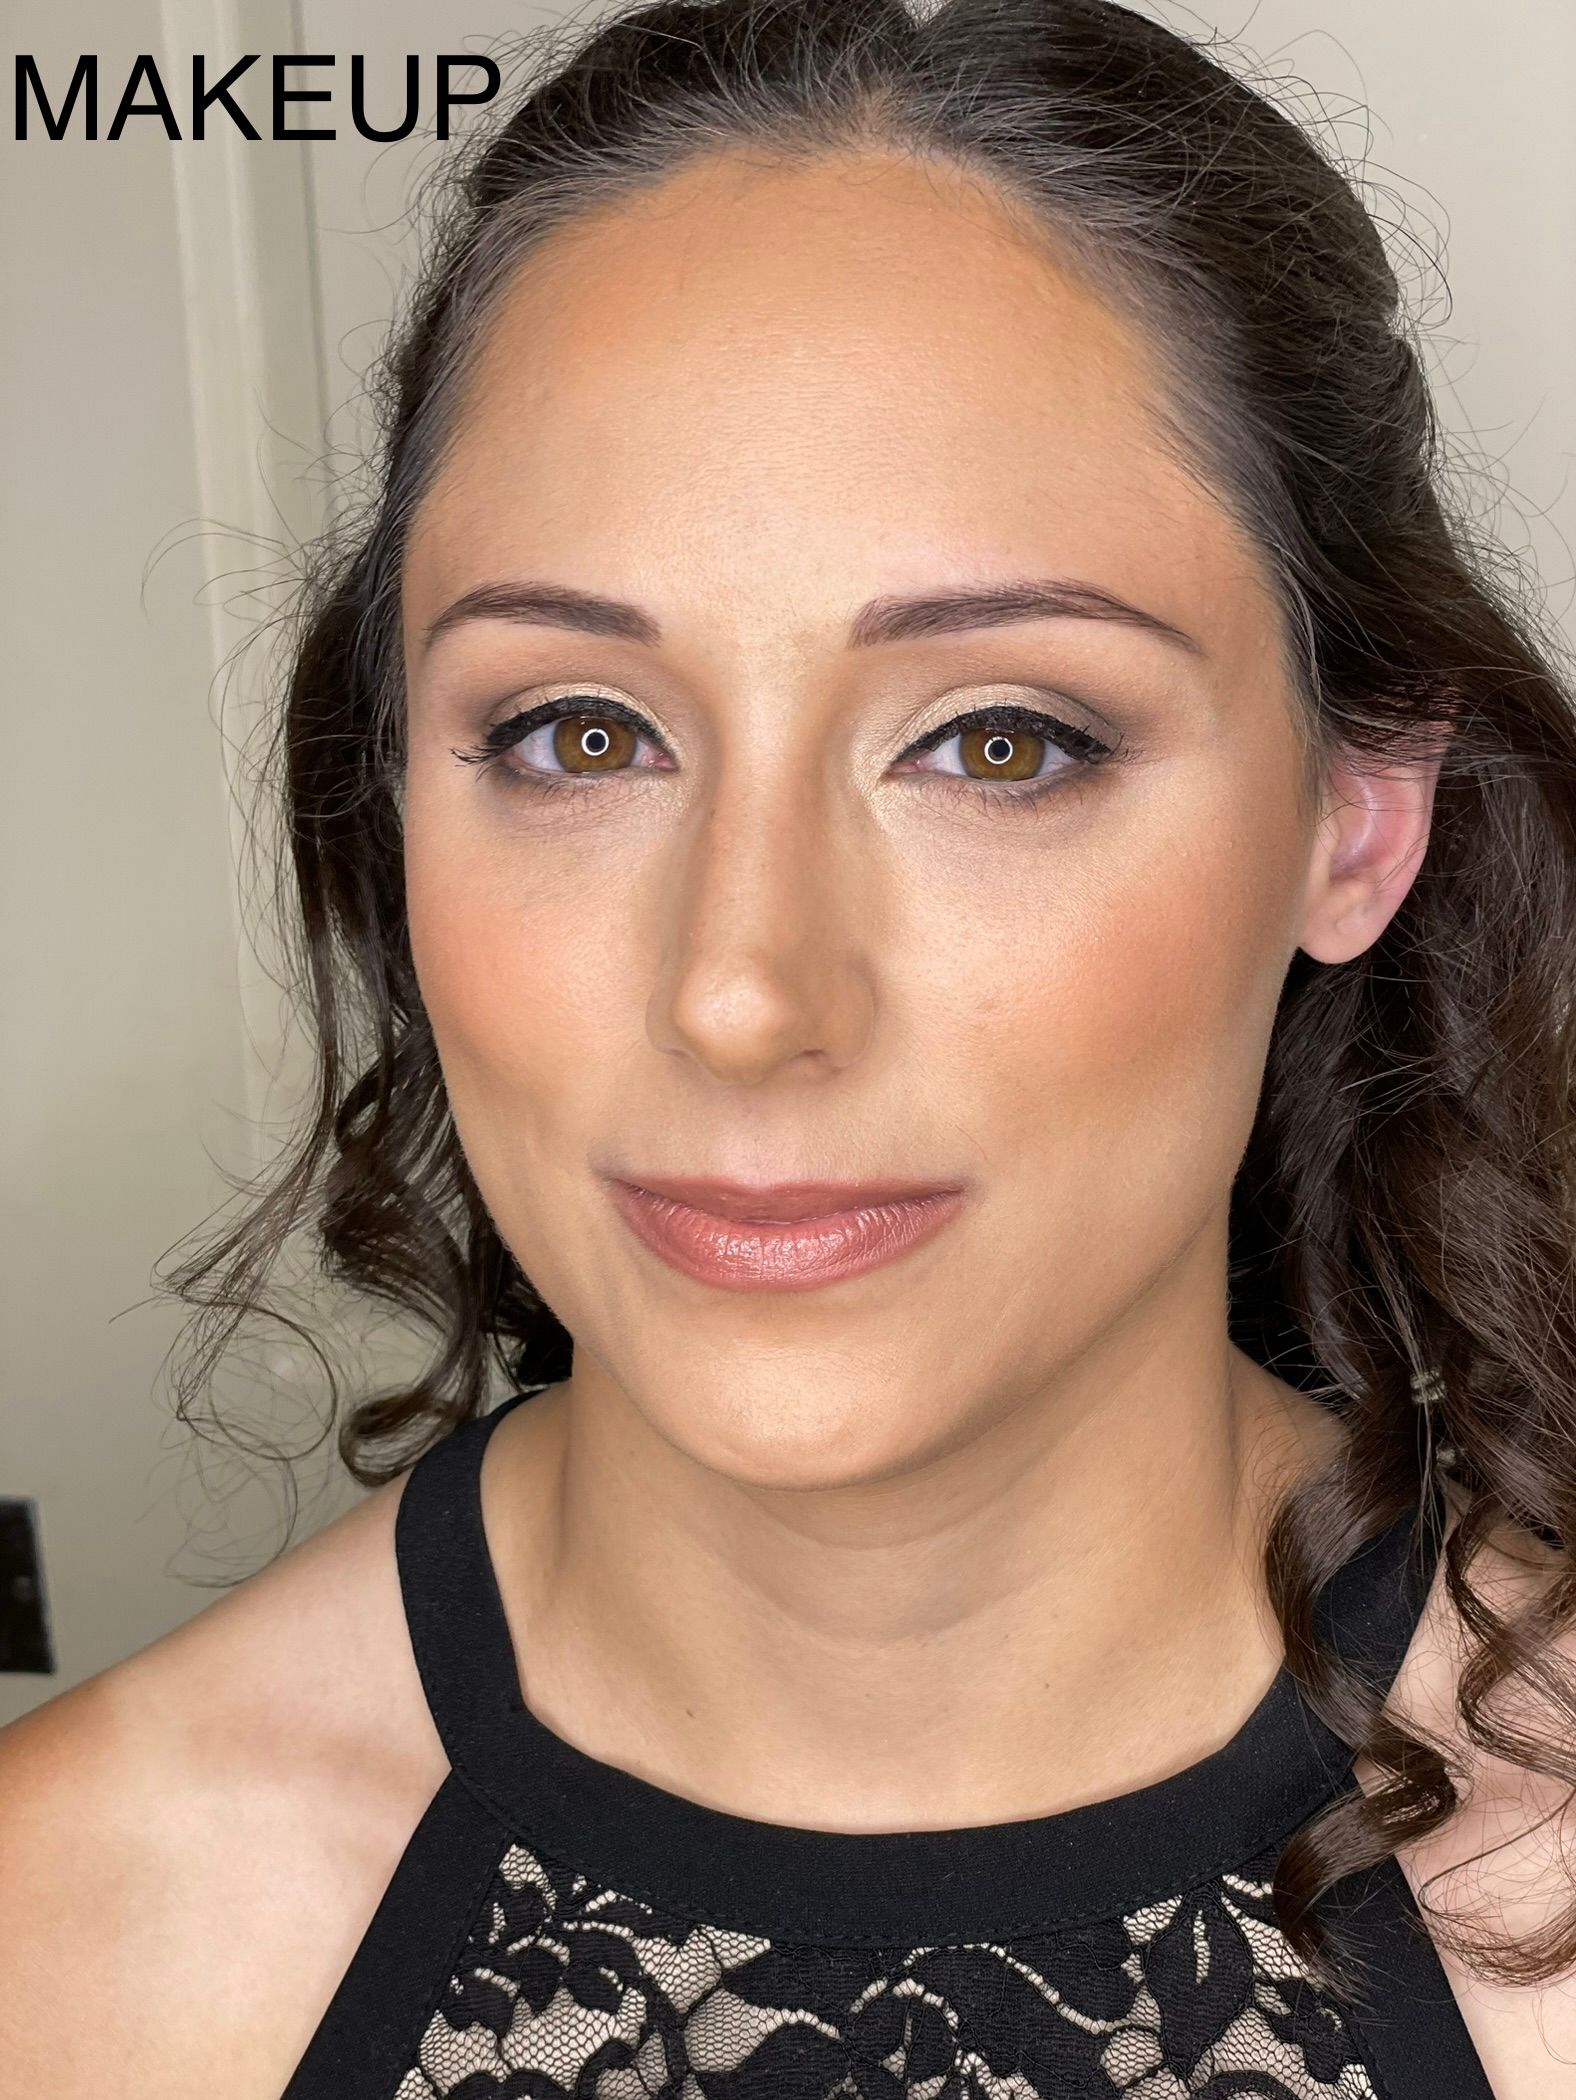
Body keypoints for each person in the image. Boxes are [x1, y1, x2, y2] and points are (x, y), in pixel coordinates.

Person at [4, 0, 1576, 2092]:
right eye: (580, 737)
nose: (741, 993)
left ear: (1353, 815)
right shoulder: (60, 1946)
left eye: (998, 742)